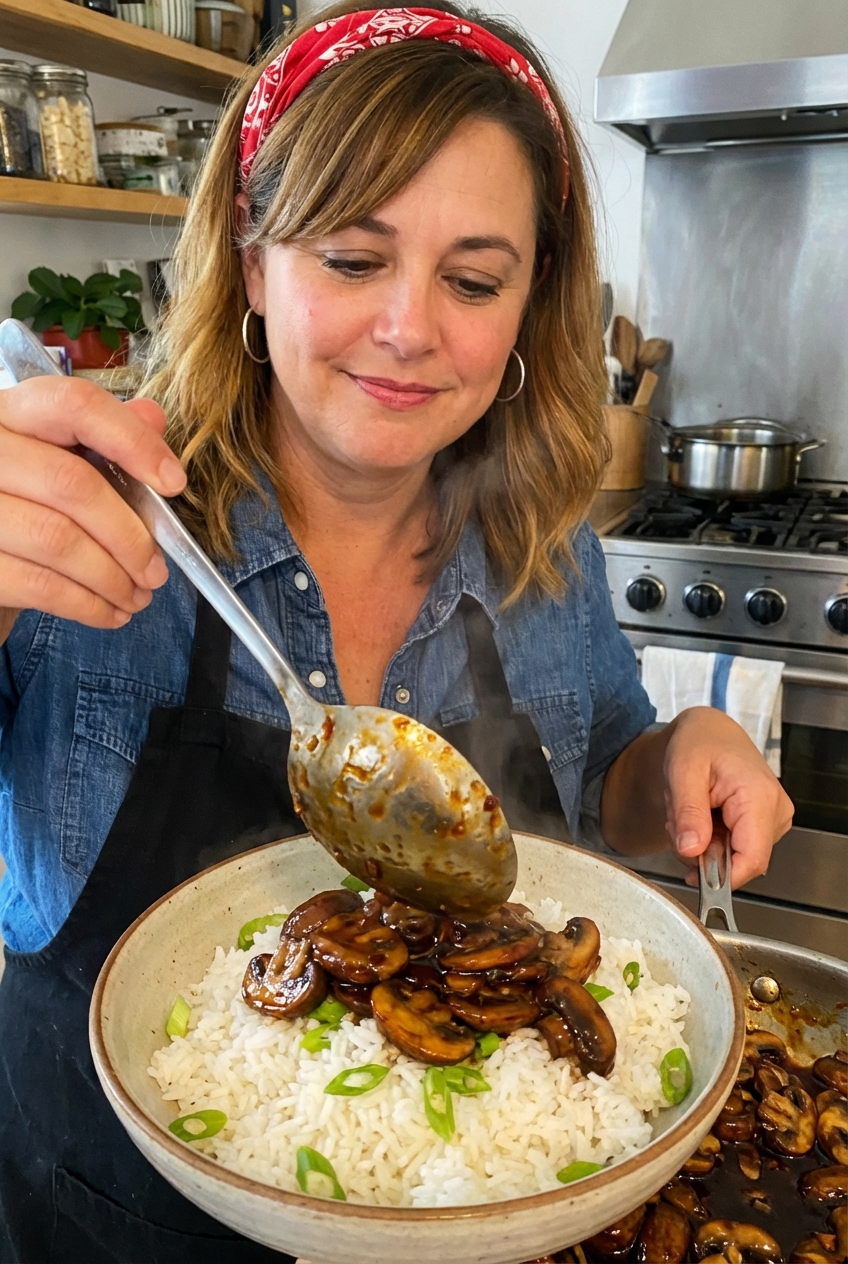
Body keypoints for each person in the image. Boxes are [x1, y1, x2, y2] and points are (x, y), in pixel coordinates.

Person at [0, 4, 792, 1260]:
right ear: (252, 263)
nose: (411, 328)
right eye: (352, 259)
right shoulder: (90, 517)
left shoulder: (544, 546)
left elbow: (612, 793)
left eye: (473, 279)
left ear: (530, 305)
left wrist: (683, 756)